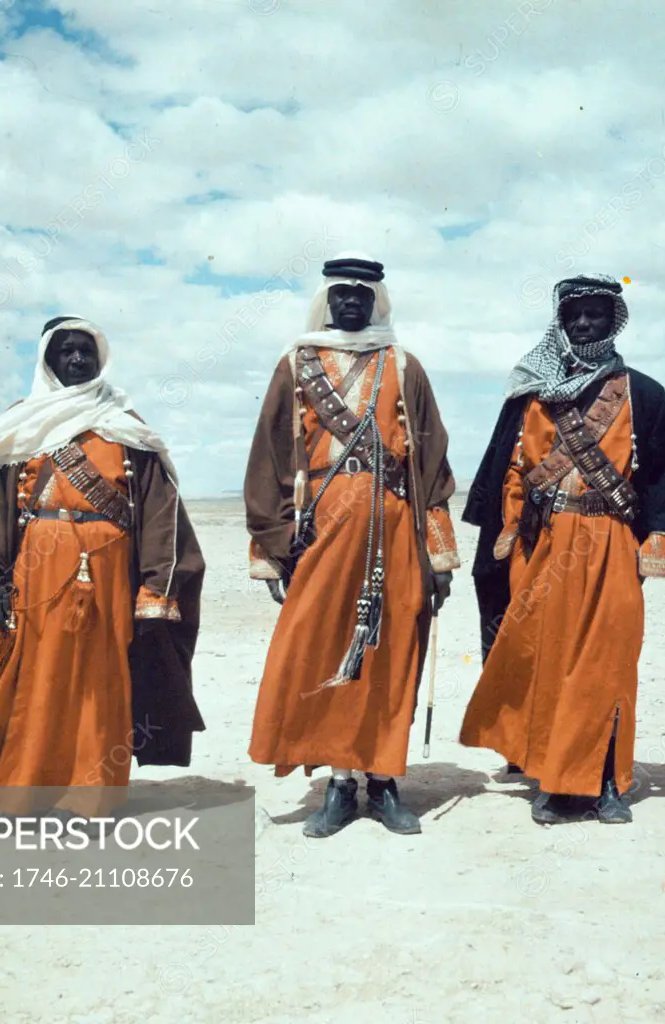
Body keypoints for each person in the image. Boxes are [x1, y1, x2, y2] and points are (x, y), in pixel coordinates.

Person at [0, 316, 205, 823]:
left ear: (99, 357)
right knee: (32, 681)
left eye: (86, 350)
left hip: (110, 581)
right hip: (34, 579)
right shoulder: (21, 423)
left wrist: (156, 588)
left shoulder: (124, 422)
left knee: (101, 684)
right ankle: (19, 798)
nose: (78, 359)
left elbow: (158, 508)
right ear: (48, 359)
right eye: (67, 351)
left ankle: (90, 802)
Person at [459, 274, 665, 825]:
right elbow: (506, 473)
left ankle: (607, 781)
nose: (584, 323)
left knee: (608, 666)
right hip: (543, 546)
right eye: (574, 315)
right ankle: (553, 780)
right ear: (560, 324)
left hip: (612, 542)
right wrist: (507, 535)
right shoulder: (531, 394)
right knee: (549, 662)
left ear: (615, 320)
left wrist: (660, 539)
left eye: (596, 314)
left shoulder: (644, 393)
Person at [244, 253, 460, 838]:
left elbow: (433, 465)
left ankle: (385, 781)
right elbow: (269, 458)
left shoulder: (404, 364)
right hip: (323, 534)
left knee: (388, 655)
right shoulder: (296, 363)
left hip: (395, 529)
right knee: (326, 652)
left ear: (376, 301)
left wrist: (438, 554)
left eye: (361, 295)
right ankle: (340, 784)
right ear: (327, 299)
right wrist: (270, 551)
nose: (350, 302)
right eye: (341, 293)